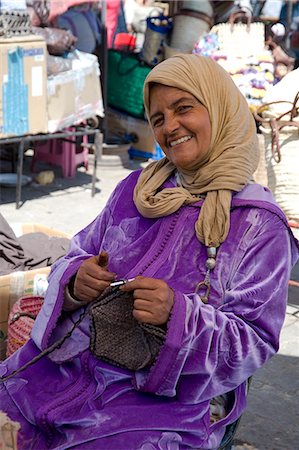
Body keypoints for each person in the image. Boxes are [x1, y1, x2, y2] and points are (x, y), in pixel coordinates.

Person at [1, 54, 298, 449]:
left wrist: (178, 316)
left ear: (219, 108)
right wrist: (76, 279)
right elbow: (77, 253)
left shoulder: (259, 223)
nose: (170, 127)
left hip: (161, 402)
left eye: (184, 108)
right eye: (158, 119)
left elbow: (254, 341)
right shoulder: (135, 190)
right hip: (63, 370)